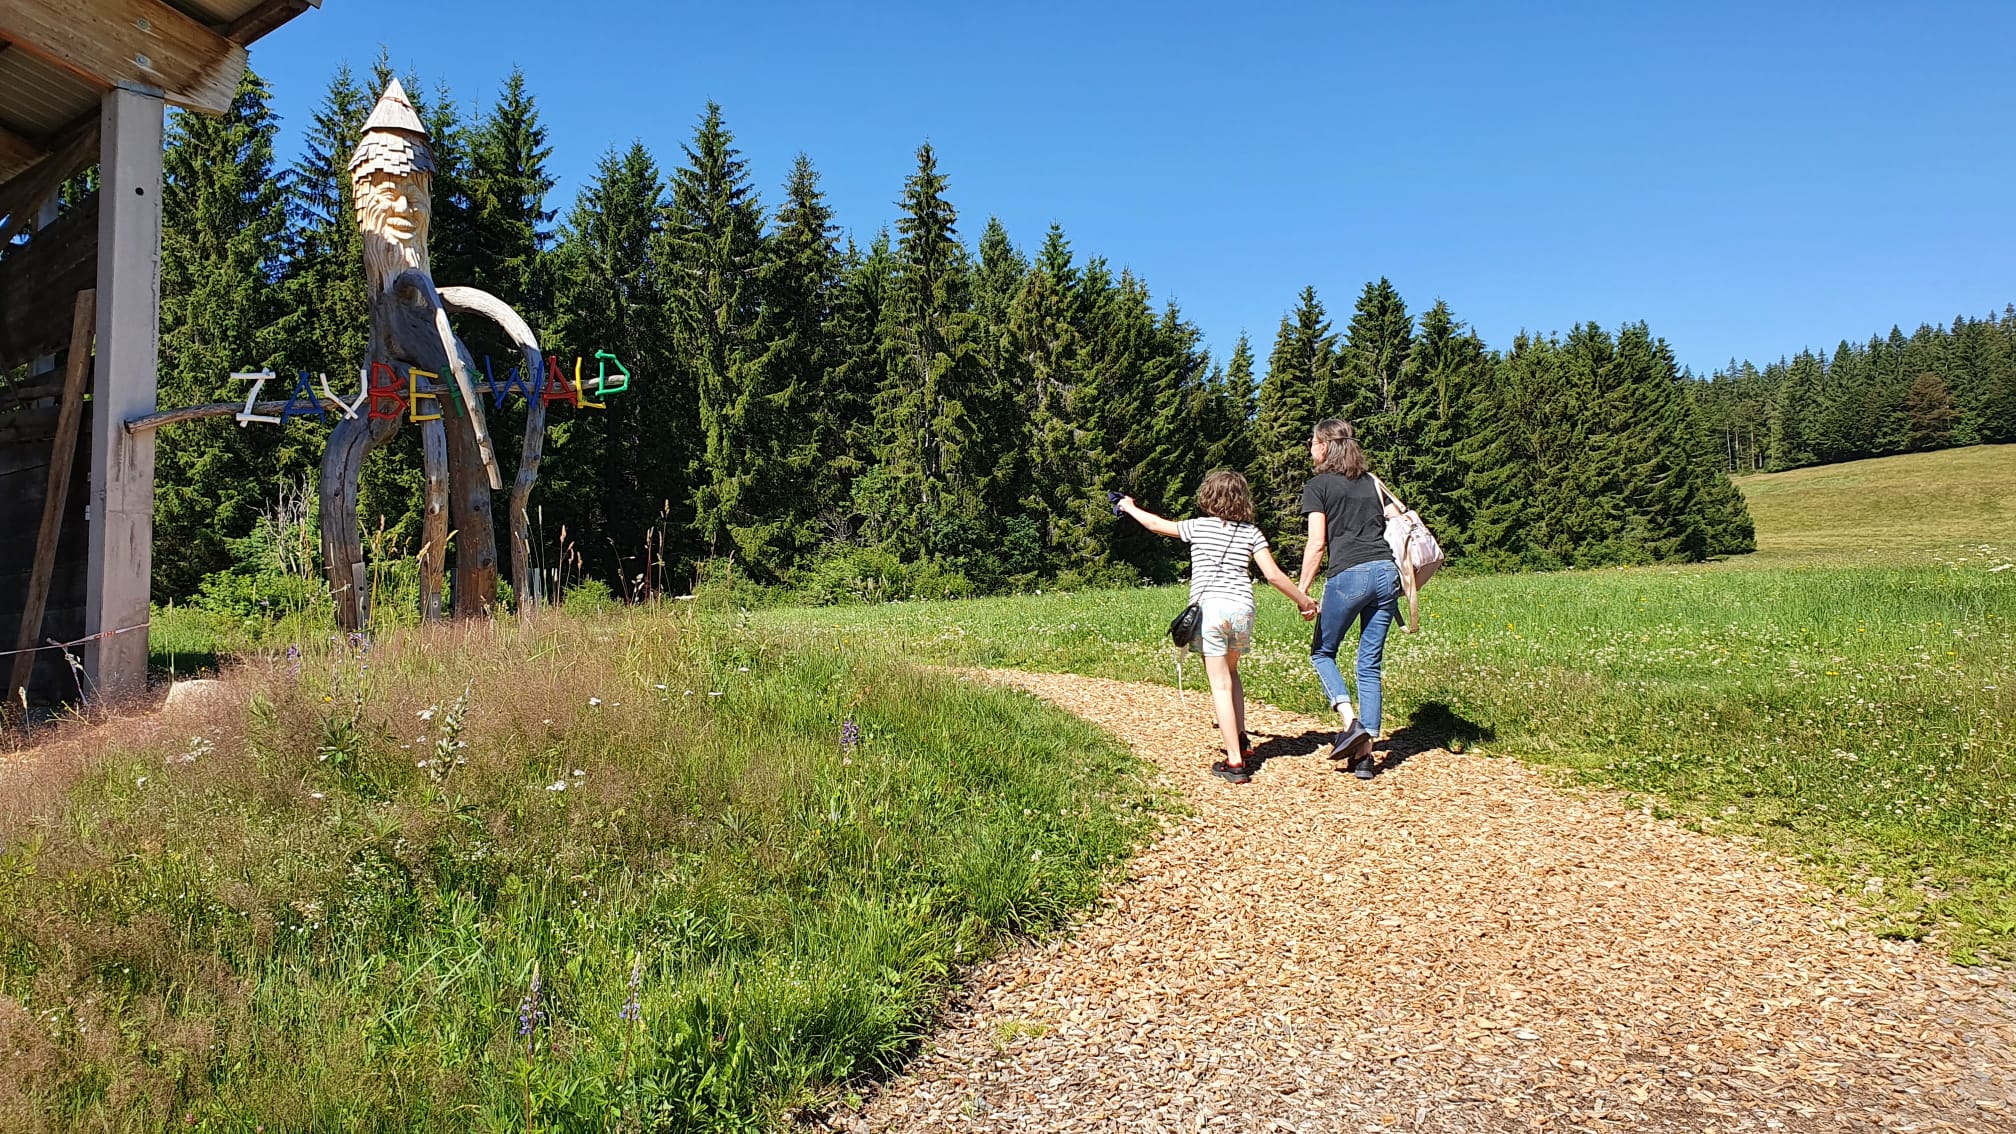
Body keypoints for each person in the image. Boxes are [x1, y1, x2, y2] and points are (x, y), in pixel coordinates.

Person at [1119, 471, 1316, 784]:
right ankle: (1241, 738)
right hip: (1242, 611)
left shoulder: (1199, 527)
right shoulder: (1251, 533)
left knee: (1219, 684)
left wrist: (1129, 507)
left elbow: (1156, 524)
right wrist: (1304, 601)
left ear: (1208, 497)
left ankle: (1235, 762)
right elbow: (1275, 576)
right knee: (1232, 673)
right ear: (1242, 499)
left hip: (1211, 611)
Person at [1297, 418, 1400, 780]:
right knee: (1368, 663)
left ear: (1325, 445)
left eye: (1312, 442)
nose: (1310, 448)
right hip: (1388, 574)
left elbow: (1317, 543)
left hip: (1350, 574)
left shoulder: (1319, 485)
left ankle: (1348, 721)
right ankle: (1366, 753)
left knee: (1322, 652)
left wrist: (1302, 590)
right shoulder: (1372, 482)